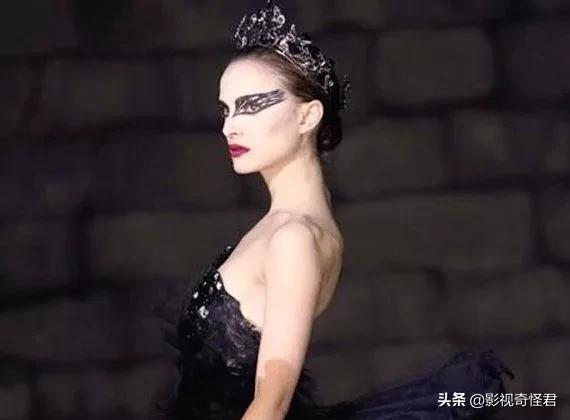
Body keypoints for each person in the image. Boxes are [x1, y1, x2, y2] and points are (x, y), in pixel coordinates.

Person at [153, 1, 515, 419]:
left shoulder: (294, 238)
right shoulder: (283, 229)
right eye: (226, 109)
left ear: (308, 116)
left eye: (251, 105)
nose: (229, 125)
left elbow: (272, 402)